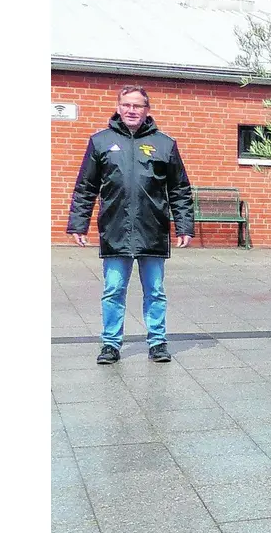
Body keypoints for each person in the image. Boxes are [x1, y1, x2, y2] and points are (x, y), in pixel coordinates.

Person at [67, 84, 194, 365]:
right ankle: (110, 344)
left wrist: (184, 226)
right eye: (126, 105)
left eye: (137, 106)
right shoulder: (100, 142)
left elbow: (180, 189)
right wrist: (79, 223)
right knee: (113, 289)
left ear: (147, 110)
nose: (131, 110)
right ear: (118, 107)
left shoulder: (165, 144)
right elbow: (86, 187)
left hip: (153, 229)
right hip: (115, 229)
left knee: (155, 291)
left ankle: (158, 343)